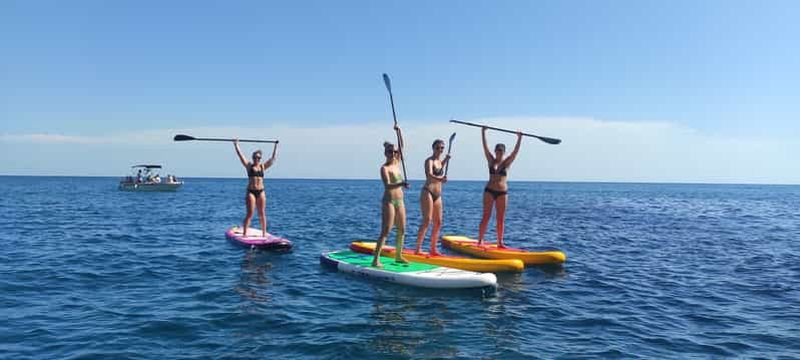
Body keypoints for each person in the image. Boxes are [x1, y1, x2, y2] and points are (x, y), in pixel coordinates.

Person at [478, 127, 522, 248]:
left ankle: (500, 242)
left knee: (500, 218)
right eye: (497, 150)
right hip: (489, 191)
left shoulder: (507, 162)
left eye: (501, 151)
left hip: (502, 192)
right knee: (486, 216)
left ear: (504, 152)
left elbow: (515, 152)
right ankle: (480, 240)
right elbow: (485, 147)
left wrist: (519, 138)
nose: (499, 152)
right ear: (495, 151)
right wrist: (483, 132)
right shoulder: (491, 160)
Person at [372, 127, 409, 268]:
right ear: (385, 153)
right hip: (389, 201)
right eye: (390, 151)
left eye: (394, 151)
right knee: (386, 230)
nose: (393, 153)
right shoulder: (384, 168)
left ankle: (399, 256)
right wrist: (401, 183)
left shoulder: (397, 162)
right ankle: (375, 259)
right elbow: (388, 185)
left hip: (400, 201)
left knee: (402, 229)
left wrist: (399, 131)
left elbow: (402, 145)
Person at [234, 139, 278, 238]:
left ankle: (264, 234)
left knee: (262, 214)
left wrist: (275, 145)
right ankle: (244, 234)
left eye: (258, 158)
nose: (256, 159)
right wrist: (236, 145)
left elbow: (273, 159)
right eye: (255, 157)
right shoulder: (249, 166)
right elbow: (240, 156)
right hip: (251, 192)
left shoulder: (263, 167)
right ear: (253, 158)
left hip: (261, 191)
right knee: (250, 213)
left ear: (260, 158)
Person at [414, 139, 450, 255]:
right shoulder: (428, 161)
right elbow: (430, 174)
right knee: (427, 220)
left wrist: (446, 160)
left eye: (442, 148)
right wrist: (441, 179)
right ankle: (417, 249)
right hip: (428, 192)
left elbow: (439, 169)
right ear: (433, 148)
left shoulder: (439, 161)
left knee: (438, 222)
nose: (440, 150)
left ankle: (433, 249)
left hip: (438, 195)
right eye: (438, 148)